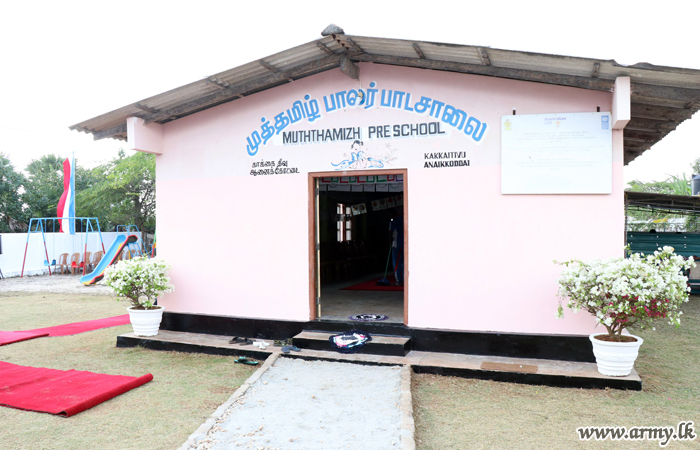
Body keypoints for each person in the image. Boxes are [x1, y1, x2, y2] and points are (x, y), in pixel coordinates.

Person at [389, 208, 404, 286]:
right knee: (404, 262)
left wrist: (389, 242)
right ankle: (405, 279)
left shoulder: (393, 221)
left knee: (397, 262)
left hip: (396, 244)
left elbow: (390, 234)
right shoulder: (404, 219)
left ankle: (399, 280)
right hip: (405, 244)